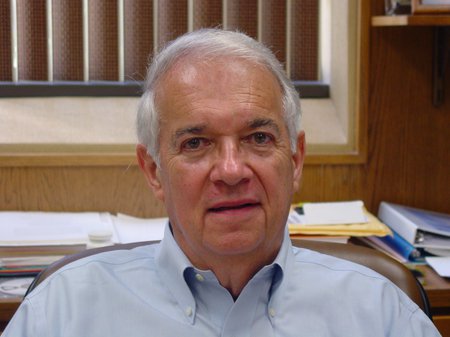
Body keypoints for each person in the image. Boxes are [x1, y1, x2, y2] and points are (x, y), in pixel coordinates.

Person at [3, 29, 440, 337]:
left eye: (259, 138)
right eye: (196, 143)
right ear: (154, 170)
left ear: (296, 158)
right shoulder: (60, 313)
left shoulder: (383, 315)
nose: (232, 170)